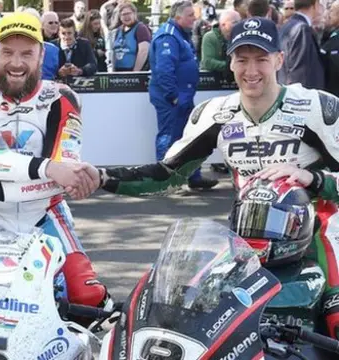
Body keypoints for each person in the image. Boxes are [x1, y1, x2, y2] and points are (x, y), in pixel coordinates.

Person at [85, 17, 339, 340]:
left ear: (279, 59)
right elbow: (166, 175)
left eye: (261, 59)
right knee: (194, 313)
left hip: (319, 237)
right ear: (229, 62)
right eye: (242, 59)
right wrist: (102, 176)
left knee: (334, 316)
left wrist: (314, 179)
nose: (251, 71)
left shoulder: (315, 108)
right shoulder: (215, 114)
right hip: (249, 240)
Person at [0, 12, 113, 319]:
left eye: (26, 53)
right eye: (7, 52)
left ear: (42, 54)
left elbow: (65, 177)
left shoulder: (63, 97)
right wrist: (48, 168)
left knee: (87, 295)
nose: (16, 63)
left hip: (45, 212)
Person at [148, 1, 217, 189]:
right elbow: (164, 70)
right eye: (190, 15)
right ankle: (164, 181)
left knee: (191, 138)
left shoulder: (180, 35)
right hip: (172, 99)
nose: (194, 19)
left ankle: (193, 177)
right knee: (169, 139)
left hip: (183, 97)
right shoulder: (168, 36)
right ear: (177, 17)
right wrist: (173, 96)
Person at [278, 0, 325, 89]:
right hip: (300, 96)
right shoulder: (302, 29)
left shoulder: (287, 25)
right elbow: (300, 73)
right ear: (315, 4)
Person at [106, 2, 151, 72]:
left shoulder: (141, 28)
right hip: (118, 74)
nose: (126, 17)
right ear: (120, 17)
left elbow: (144, 51)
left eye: (129, 13)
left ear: (135, 14)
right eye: (123, 14)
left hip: (134, 73)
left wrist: (134, 73)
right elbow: (114, 52)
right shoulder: (118, 30)